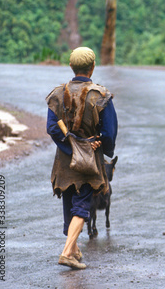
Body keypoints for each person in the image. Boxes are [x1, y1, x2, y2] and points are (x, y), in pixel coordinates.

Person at [46, 47, 118, 269]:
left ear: (71, 66)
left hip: (65, 160)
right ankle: (67, 252)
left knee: (69, 199)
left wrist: (70, 145)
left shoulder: (58, 94)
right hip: (88, 159)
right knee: (83, 203)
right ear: (93, 67)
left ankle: (74, 250)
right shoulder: (101, 95)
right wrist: (98, 144)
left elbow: (52, 128)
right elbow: (109, 132)